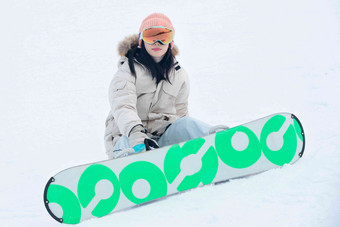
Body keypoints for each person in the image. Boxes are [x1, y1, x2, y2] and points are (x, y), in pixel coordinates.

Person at [104, 13, 228, 159]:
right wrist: (136, 134)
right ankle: (128, 166)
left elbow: (181, 113)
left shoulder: (179, 75)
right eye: (151, 36)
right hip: (129, 138)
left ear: (171, 43)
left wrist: (186, 139)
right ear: (141, 41)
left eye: (164, 38)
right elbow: (123, 107)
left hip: (161, 141)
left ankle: (220, 145)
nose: (157, 43)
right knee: (127, 141)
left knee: (186, 124)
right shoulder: (126, 72)